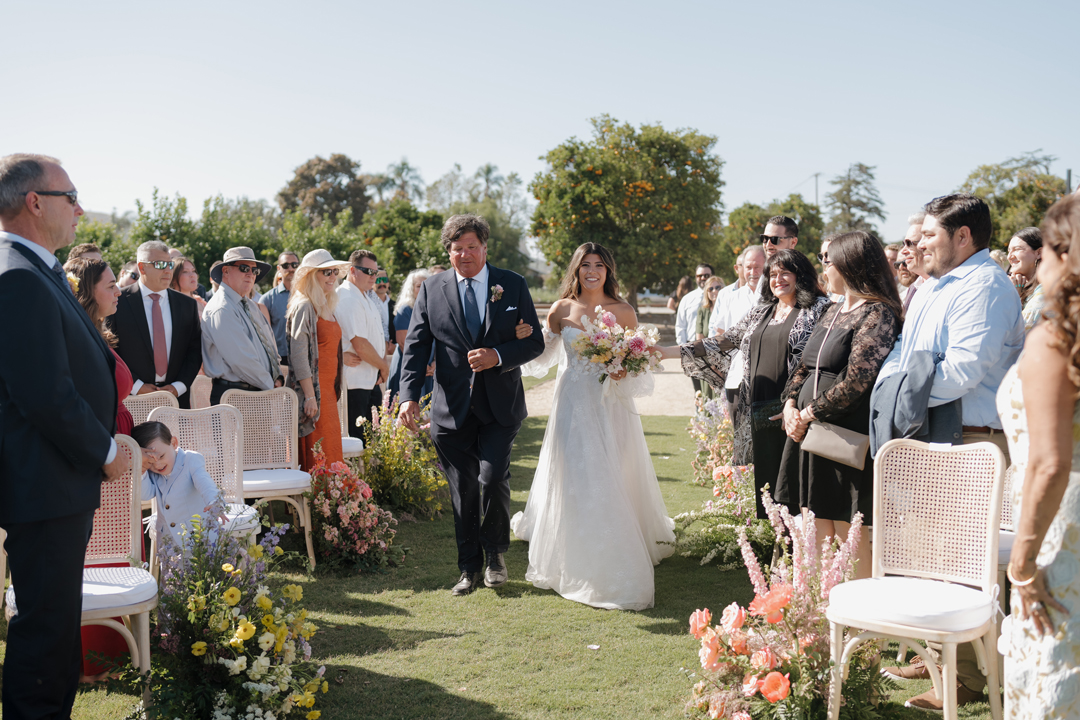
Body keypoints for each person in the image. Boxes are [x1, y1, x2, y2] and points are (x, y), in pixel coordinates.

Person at [874, 194, 1024, 710]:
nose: (917, 244)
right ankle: (950, 664)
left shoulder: (983, 287)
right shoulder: (938, 285)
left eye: (929, 236)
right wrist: (898, 382)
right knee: (939, 564)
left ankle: (980, 678)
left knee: (972, 572)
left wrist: (895, 393)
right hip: (941, 435)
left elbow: (962, 371)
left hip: (974, 439)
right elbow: (903, 355)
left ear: (963, 237)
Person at [0, 153, 125, 718]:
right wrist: (105, 451)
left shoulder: (39, 270)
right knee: (45, 641)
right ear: (34, 203)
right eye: (70, 196)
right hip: (44, 486)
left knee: (53, 634)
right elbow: (45, 394)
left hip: (57, 486)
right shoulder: (18, 277)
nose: (79, 208)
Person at [511, 242, 676, 610]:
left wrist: (622, 369)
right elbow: (543, 355)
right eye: (585, 264)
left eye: (599, 265)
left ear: (608, 271)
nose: (592, 271)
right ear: (575, 269)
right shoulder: (561, 309)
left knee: (613, 469)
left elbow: (637, 363)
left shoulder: (624, 311)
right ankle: (573, 547)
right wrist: (525, 338)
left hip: (608, 404)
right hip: (571, 402)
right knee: (574, 472)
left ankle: (619, 541)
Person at [398, 214, 545, 596]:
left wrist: (497, 354)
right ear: (448, 252)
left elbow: (534, 343)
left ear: (484, 248)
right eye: (457, 248)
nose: (465, 254)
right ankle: (468, 569)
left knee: (493, 478)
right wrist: (408, 398)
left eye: (472, 247)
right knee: (462, 489)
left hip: (500, 406)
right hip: (451, 410)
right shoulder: (431, 290)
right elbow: (415, 348)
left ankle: (496, 554)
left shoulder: (511, 285)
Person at [660, 249, 831, 518]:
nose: (778, 279)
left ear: (802, 275)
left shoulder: (819, 309)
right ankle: (775, 549)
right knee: (769, 488)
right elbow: (721, 343)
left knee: (796, 488)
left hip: (795, 411)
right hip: (759, 410)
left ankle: (801, 552)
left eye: (785, 272)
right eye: (772, 274)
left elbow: (820, 361)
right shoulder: (762, 311)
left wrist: (798, 406)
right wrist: (666, 351)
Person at [775, 232, 903, 577]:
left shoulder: (878, 313)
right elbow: (804, 365)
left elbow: (858, 380)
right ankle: (820, 609)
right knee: (813, 522)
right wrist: (789, 405)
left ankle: (862, 617)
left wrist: (808, 413)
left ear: (849, 264)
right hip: (806, 431)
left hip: (842, 432)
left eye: (827, 260)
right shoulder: (831, 309)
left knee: (848, 531)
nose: (823, 268)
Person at [998, 194, 1080, 718]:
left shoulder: (1055, 339)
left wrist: (1024, 567)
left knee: (1054, 672)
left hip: (1058, 529)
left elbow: (1049, 463)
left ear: (1062, 254)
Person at [107, 240, 203, 408]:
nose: (167, 270)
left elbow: (194, 351)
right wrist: (136, 386)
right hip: (131, 400)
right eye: (160, 264)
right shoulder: (117, 302)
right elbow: (110, 351)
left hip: (177, 402)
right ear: (142, 267)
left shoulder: (187, 305)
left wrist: (178, 387)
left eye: (170, 264)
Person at [287, 249, 348, 471]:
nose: (332, 276)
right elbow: (299, 355)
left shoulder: (327, 304)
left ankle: (335, 504)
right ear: (312, 275)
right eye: (326, 272)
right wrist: (310, 396)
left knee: (330, 451)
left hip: (328, 392)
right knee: (318, 454)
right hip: (313, 393)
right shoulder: (305, 305)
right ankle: (318, 504)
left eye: (334, 271)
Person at [201, 247, 283, 405]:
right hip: (235, 396)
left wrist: (277, 376)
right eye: (244, 268)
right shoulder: (221, 308)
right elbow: (242, 360)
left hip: (256, 392)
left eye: (254, 270)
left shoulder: (250, 305)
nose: (250, 274)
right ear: (225, 271)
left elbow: (270, 347)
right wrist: (271, 386)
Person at [131, 421, 223, 548]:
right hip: (168, 539)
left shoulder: (190, 460)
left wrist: (214, 501)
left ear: (173, 443)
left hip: (198, 535)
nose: (157, 465)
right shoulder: (151, 472)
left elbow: (204, 481)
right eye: (150, 461)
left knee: (203, 567)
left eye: (162, 456)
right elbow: (146, 494)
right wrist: (141, 471)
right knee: (173, 568)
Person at [336, 249, 388, 435]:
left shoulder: (363, 295)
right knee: (358, 442)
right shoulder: (348, 296)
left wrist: (379, 368)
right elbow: (360, 344)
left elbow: (376, 336)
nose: (373, 276)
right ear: (352, 270)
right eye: (368, 271)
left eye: (375, 272)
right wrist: (384, 366)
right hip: (355, 382)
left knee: (373, 443)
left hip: (369, 378)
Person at [708, 246, 766, 409]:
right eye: (748, 267)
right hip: (736, 378)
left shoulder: (775, 297)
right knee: (738, 433)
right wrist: (716, 366)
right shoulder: (731, 298)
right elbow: (720, 335)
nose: (753, 272)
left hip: (767, 380)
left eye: (757, 267)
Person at [388, 268, 431, 398]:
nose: (423, 288)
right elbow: (403, 343)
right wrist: (422, 366)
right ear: (410, 289)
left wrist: (434, 363)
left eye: (426, 284)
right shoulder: (405, 310)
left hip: (430, 369)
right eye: (418, 286)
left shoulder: (433, 309)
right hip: (410, 366)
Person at [675, 264, 715, 395]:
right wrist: (683, 350)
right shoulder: (687, 299)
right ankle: (700, 414)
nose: (703, 278)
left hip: (716, 347)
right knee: (698, 390)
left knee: (716, 389)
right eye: (699, 276)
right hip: (692, 348)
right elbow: (680, 325)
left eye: (706, 275)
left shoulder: (722, 296)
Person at [259, 251, 300, 365]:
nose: (291, 268)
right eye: (286, 265)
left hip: (306, 356)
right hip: (280, 360)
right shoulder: (267, 299)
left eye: (294, 265)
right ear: (279, 268)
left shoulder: (309, 295)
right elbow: (263, 336)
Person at [1007, 227, 1046, 330]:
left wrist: (1014, 298)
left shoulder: (1044, 293)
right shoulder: (1020, 289)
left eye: (1017, 249)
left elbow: (1015, 335)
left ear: (1038, 253)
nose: (1009, 257)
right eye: (1009, 251)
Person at [695, 276, 725, 400]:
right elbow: (699, 339)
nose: (714, 291)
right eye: (710, 289)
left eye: (718, 287)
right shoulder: (703, 311)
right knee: (709, 399)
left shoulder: (728, 308)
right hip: (708, 360)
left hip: (726, 360)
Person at [899, 212, 930, 314]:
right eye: (904, 244)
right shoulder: (913, 288)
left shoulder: (946, 287)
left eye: (909, 244)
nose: (903, 251)